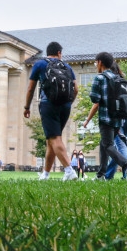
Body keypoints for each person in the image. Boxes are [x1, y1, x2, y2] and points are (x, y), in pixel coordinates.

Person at [24, 41, 80, 181]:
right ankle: (45, 174)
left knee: (54, 138)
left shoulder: (40, 64)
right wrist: (68, 103)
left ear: (47, 52)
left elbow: (31, 88)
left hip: (48, 104)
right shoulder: (67, 66)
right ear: (59, 53)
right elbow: (76, 89)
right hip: (65, 106)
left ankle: (69, 170)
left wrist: (26, 107)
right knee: (51, 139)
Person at [84, 52, 127, 180]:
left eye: (96, 62)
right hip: (117, 119)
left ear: (100, 62)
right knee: (104, 144)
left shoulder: (100, 78)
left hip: (105, 118)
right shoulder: (118, 78)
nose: (95, 65)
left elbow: (95, 99)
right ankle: (101, 175)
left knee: (108, 145)